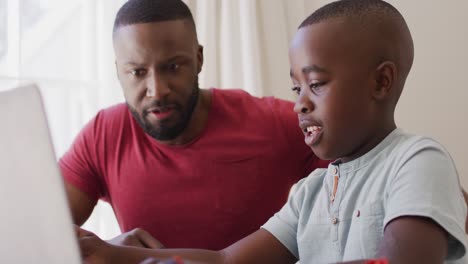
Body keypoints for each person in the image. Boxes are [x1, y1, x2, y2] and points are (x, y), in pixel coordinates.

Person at [75, 0, 468, 263]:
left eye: (316, 85)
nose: (299, 103)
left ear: (381, 82)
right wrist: (115, 254)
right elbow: (227, 260)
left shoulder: (417, 162)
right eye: (296, 88)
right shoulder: (312, 192)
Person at [60, 0, 328, 251]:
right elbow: (39, 234)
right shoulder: (103, 135)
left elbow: (359, 177)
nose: (157, 90)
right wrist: (111, 251)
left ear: (199, 59)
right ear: (119, 71)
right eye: (138, 72)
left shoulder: (273, 123)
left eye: (173, 66)